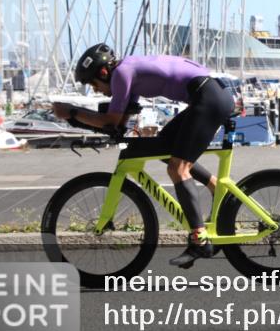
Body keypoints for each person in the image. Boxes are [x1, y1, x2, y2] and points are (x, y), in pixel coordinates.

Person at [53, 43, 236, 267]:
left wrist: (71, 112)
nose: (96, 90)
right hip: (211, 94)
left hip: (208, 97)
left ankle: (199, 241)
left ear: (103, 72)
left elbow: (110, 121)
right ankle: (215, 187)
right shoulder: (128, 71)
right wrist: (87, 122)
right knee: (163, 147)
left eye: (94, 84)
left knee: (177, 168)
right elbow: (119, 123)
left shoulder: (122, 73)